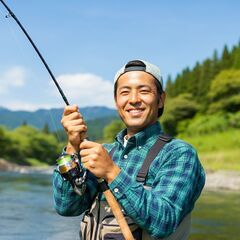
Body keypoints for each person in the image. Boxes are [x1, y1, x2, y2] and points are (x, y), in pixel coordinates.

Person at [53, 59, 205, 239]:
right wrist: (72, 146)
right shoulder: (105, 152)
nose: (133, 100)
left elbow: (164, 221)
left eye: (144, 91)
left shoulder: (179, 153)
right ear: (117, 101)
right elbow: (67, 206)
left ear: (161, 99)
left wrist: (112, 172)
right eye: (125, 92)